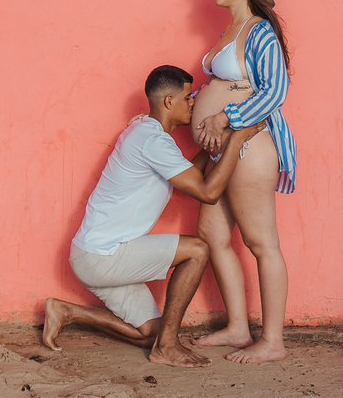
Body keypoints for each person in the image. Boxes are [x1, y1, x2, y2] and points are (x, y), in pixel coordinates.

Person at [41, 64, 265, 367]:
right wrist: (236, 140)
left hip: (97, 255)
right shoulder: (152, 140)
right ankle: (168, 348)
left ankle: (68, 312)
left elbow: (191, 178)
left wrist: (217, 145)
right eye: (188, 98)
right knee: (198, 250)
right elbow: (207, 193)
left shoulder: (148, 133)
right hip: (103, 256)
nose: (193, 103)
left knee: (152, 333)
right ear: (169, 102)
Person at [189, 0, 296, 364]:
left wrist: (226, 116)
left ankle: (272, 340)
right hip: (220, 148)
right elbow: (215, 86)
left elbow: (274, 92)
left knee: (261, 241)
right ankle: (237, 327)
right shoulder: (229, 30)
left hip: (248, 145)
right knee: (213, 236)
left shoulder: (260, 32)